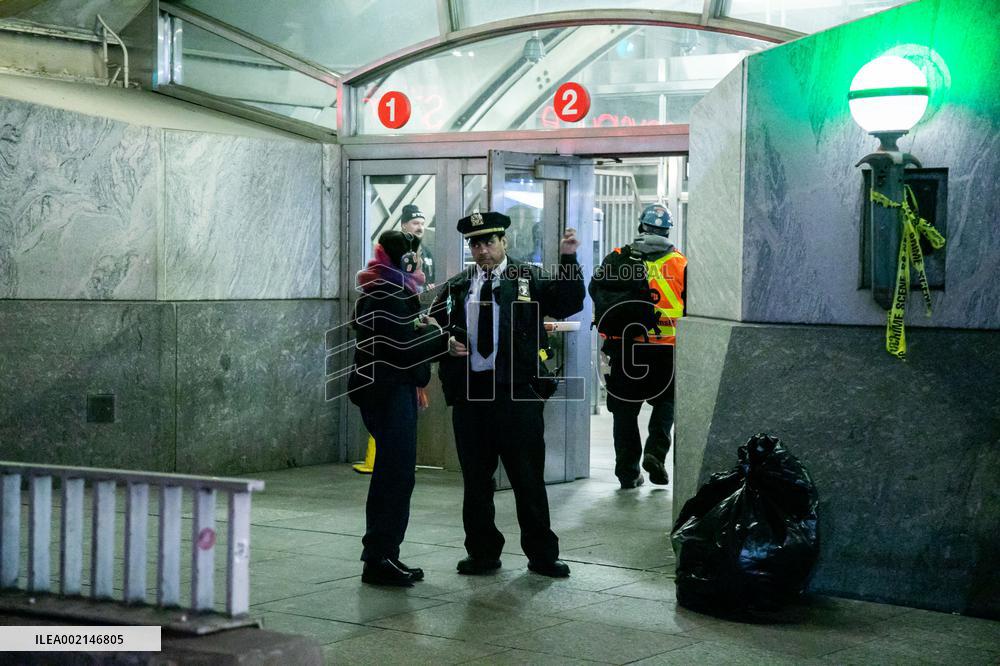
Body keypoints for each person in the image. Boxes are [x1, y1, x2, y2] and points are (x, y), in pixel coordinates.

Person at [430, 211, 584, 578]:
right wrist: (445, 343)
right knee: (476, 482)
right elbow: (432, 327)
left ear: (504, 243)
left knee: (527, 477)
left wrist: (568, 259)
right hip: (471, 397)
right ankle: (482, 553)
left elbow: (568, 301)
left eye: (489, 242)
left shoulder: (527, 278)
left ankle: (542, 554)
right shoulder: (457, 286)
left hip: (516, 395)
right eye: (476, 244)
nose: (482, 250)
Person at [348, 230, 448, 586]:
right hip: (388, 393)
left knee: (397, 475)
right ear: (405, 259)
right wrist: (440, 337)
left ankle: (386, 553)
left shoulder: (389, 290)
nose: (419, 263)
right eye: (415, 257)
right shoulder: (385, 295)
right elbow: (403, 349)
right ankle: (378, 557)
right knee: (395, 476)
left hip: (391, 392)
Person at [588, 202, 686, 489]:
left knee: (625, 412)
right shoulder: (680, 263)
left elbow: (596, 291)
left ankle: (628, 472)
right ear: (667, 230)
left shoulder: (618, 257)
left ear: (641, 227)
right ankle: (655, 451)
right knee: (666, 402)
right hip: (666, 349)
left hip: (624, 348)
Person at [399, 204, 435, 285]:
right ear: (404, 225)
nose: (420, 228)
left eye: (422, 224)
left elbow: (433, 279)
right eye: (415, 223)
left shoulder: (426, 252)